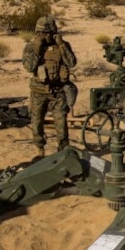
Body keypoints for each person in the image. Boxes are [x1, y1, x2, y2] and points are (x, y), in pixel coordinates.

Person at [22, 16, 77, 157]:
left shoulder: (63, 46)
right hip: (38, 92)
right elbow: (29, 67)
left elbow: (71, 63)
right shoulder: (31, 47)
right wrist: (37, 48)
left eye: (49, 33)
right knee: (37, 122)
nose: (46, 36)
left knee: (61, 124)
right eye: (42, 33)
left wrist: (62, 45)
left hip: (58, 92)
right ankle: (40, 150)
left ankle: (63, 151)